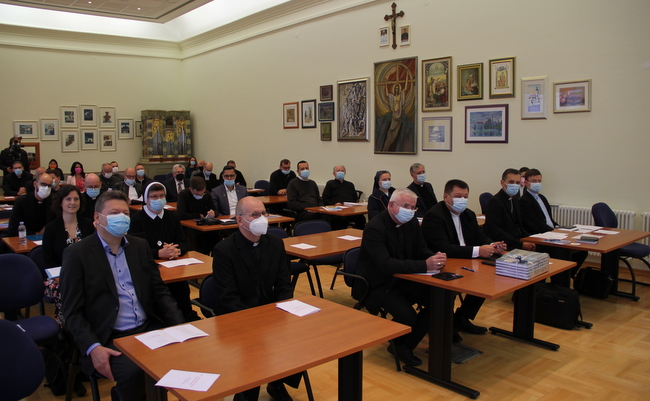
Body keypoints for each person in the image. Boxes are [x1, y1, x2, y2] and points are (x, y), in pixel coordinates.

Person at [60, 191, 184, 401]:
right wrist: (93, 347)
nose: (122, 218)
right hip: (109, 336)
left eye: (125, 213)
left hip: (147, 328)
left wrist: (180, 326)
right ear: (97, 218)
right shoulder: (77, 254)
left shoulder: (139, 246)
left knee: (178, 358)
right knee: (136, 372)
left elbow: (159, 292)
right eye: (114, 213)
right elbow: (72, 312)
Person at [212, 196, 301, 401]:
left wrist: (286, 310)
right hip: (238, 316)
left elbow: (283, 284)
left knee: (297, 336)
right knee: (255, 346)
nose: (261, 219)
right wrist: (256, 322)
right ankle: (246, 393)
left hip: (270, 312)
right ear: (239, 220)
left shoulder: (275, 243)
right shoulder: (224, 250)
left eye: (263, 214)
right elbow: (228, 297)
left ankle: (277, 383)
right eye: (254, 215)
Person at [356, 188, 446, 366]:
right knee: (407, 315)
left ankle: (407, 342)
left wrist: (435, 258)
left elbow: (421, 249)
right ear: (391, 205)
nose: (410, 211)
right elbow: (386, 265)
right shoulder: (374, 227)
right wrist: (425, 265)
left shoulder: (411, 222)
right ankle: (400, 345)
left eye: (413, 207)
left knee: (439, 300)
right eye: (405, 206)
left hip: (404, 277)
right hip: (377, 283)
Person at [421, 179, 507, 341]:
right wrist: (478, 250)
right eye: (458, 196)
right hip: (444, 265)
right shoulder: (435, 216)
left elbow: (479, 237)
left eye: (465, 196)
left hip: (466, 261)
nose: (462, 200)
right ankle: (444, 326)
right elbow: (443, 247)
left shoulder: (468, 214)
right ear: (446, 197)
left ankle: (461, 318)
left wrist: (491, 245)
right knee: (451, 287)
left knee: (486, 279)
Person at [130, 183, 199, 321]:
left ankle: (186, 317)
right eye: (154, 197)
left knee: (181, 292)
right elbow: (136, 249)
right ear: (146, 199)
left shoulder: (172, 216)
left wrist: (176, 250)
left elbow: (183, 242)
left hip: (175, 267)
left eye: (161, 196)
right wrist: (159, 253)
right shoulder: (137, 219)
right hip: (151, 270)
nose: (159, 199)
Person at [519, 169, 587, 284]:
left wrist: (558, 227)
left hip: (551, 232)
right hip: (539, 236)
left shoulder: (542, 198)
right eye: (534, 181)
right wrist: (553, 231)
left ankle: (565, 276)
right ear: (526, 182)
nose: (537, 183)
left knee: (582, 251)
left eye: (539, 181)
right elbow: (533, 223)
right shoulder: (524, 200)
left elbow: (548, 219)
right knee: (562, 251)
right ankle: (558, 282)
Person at [42, 185, 95, 322]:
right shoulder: (51, 228)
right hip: (58, 276)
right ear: (61, 202)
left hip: (85, 273)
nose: (72, 202)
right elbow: (48, 261)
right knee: (67, 290)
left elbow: (95, 253)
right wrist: (63, 277)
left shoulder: (88, 225)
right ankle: (68, 325)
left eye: (76, 199)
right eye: (68, 199)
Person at [484, 168, 536, 251]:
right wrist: (520, 244)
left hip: (516, 241)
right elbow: (496, 231)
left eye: (517, 183)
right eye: (511, 182)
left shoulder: (515, 199)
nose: (515, 185)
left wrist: (529, 239)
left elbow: (519, 225)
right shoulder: (495, 202)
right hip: (503, 245)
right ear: (502, 183)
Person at [2, 171, 54, 238]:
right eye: (43, 184)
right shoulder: (21, 201)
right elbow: (13, 229)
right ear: (35, 184)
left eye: (49, 186)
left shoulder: (54, 201)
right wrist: (37, 234)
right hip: (24, 236)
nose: (46, 188)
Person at [322, 164, 365, 229]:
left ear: (345, 173)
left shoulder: (350, 185)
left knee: (361, 217)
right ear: (334, 173)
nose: (340, 172)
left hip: (349, 210)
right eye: (338, 171)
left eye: (342, 171)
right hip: (336, 211)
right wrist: (334, 204)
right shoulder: (330, 184)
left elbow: (355, 199)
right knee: (341, 220)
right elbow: (325, 199)